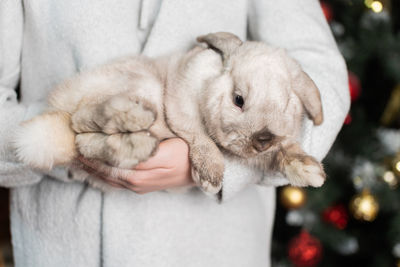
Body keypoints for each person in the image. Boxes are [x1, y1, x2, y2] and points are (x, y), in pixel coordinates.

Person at [0, 0, 349, 266]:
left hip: (214, 248)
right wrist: (74, 140)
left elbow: (323, 79)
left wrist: (222, 161)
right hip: (70, 248)